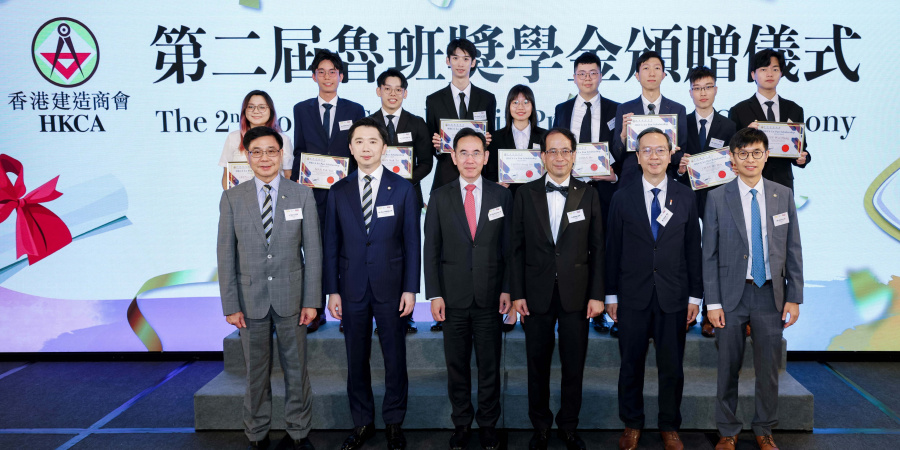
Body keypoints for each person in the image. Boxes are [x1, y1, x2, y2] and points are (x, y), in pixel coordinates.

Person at [217, 126, 320, 450]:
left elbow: (313, 252)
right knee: (255, 375)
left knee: (297, 371)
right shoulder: (232, 198)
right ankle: (257, 434)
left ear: (282, 154)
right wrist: (230, 304)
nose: (265, 158)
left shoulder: (302, 194)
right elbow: (225, 255)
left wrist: (312, 300)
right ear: (247, 157)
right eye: (257, 152)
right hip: (249, 301)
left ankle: (299, 432)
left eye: (271, 151)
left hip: (293, 298)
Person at [703, 128, 803, 450]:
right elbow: (709, 254)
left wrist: (794, 297)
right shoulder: (717, 197)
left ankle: (764, 428)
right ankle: (727, 430)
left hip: (770, 295)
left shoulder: (782, 194)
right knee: (727, 368)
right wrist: (712, 303)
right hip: (730, 296)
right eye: (743, 153)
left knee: (768, 370)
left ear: (767, 155)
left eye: (757, 152)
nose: (750, 159)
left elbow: (793, 249)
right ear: (732, 158)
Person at [324, 118, 420, 450]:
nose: (366, 148)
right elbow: (331, 245)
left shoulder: (403, 188)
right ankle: (362, 422)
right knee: (356, 358)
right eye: (359, 142)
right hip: (351, 287)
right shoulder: (338, 191)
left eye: (373, 141)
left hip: (392, 287)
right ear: (351, 148)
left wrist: (410, 288)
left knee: (395, 358)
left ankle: (394, 422)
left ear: (384, 147)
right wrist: (332, 290)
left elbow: (412, 243)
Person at [605, 128, 702, 450]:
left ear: (671, 154)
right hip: (632, 296)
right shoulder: (622, 197)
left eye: (660, 150)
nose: (654, 156)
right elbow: (612, 250)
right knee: (630, 365)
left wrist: (695, 296)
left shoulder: (686, 196)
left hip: (673, 296)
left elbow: (693, 249)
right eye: (646, 150)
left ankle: (669, 426)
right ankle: (631, 424)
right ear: (637, 157)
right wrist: (610, 294)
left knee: (671, 367)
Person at [511, 128, 605, 450]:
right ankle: (540, 427)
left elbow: (598, 248)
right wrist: (517, 293)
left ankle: (568, 426)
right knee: (536, 366)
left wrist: (597, 294)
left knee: (573, 366)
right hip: (535, 294)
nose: (559, 157)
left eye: (565, 151)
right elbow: (515, 248)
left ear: (574, 155)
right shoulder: (525, 194)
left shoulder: (589, 194)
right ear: (542, 156)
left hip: (576, 294)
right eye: (552, 151)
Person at [425, 128, 512, 450]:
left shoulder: (502, 196)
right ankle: (461, 423)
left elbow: (509, 249)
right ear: (453, 157)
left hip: (491, 297)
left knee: (489, 366)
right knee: (457, 367)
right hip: (453, 298)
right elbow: (431, 249)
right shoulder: (440, 196)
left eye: (476, 153)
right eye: (463, 152)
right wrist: (435, 294)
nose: (470, 159)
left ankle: (488, 425)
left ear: (486, 158)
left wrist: (508, 289)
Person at [290, 49, 366, 332]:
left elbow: (358, 151)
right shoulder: (301, 109)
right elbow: (299, 152)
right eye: (321, 72)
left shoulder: (355, 110)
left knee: (348, 251)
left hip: (346, 193)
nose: (327, 77)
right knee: (316, 252)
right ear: (313, 77)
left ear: (341, 76)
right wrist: (297, 188)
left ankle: (349, 312)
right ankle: (316, 310)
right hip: (313, 195)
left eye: (332, 72)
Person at [425, 37, 497, 331]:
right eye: (455, 57)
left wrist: (487, 141)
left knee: (478, 243)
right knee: (444, 245)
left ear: (474, 63)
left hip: (478, 181)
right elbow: (433, 147)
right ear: (447, 61)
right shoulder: (434, 99)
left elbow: (488, 140)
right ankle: (446, 306)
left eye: (466, 58)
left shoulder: (487, 98)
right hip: (446, 180)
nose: (460, 63)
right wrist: (435, 145)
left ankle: (479, 306)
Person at [553, 51, 621, 334]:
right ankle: (570, 305)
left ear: (601, 76)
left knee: (601, 248)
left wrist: (614, 175)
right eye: (582, 73)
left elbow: (622, 151)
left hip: (603, 190)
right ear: (574, 77)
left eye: (593, 73)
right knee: (571, 248)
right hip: (569, 191)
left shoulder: (616, 109)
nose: (587, 78)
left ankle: (601, 307)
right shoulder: (562, 109)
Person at [368, 68, 432, 334]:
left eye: (398, 89)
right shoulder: (368, 123)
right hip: (373, 197)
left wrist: (403, 183)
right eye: (387, 88)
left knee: (407, 252)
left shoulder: (416, 123)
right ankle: (378, 313)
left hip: (408, 197)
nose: (392, 94)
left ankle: (405, 314)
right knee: (378, 252)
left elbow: (426, 163)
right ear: (379, 91)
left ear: (405, 93)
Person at [680, 66, 737, 337]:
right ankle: (684, 311)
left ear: (716, 90)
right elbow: (672, 161)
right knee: (685, 253)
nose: (703, 93)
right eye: (697, 88)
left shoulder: (729, 126)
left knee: (716, 254)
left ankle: (710, 313)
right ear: (690, 92)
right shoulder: (681, 123)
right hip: (686, 196)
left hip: (719, 198)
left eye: (708, 87)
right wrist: (679, 167)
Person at [488, 84, 547, 332]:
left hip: (538, 203)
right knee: (509, 251)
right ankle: (511, 307)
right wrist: (496, 184)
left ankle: (527, 305)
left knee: (533, 253)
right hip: (507, 202)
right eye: (515, 102)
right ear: (508, 107)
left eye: (525, 102)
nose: (520, 107)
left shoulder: (545, 136)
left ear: (533, 106)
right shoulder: (495, 137)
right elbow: (487, 172)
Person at [728, 49, 810, 192]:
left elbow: (802, 149)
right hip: (750, 183)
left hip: (783, 184)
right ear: (753, 74)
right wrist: (746, 135)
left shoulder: (794, 109)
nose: (770, 74)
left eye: (775, 69)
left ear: (781, 73)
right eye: (763, 69)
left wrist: (803, 158)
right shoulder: (739, 110)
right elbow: (732, 150)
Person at [613, 51, 688, 189]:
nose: (652, 73)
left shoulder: (678, 110)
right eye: (646, 68)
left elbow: (681, 152)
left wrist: (668, 153)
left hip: (666, 181)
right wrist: (623, 137)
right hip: (631, 182)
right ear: (637, 75)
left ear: (664, 75)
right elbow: (617, 156)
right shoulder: (624, 109)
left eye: (657, 68)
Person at [218, 90, 293, 189]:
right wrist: (231, 197)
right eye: (251, 107)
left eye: (262, 107)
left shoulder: (284, 139)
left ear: (270, 111)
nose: (256, 111)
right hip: (241, 196)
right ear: (244, 110)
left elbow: (288, 175)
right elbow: (226, 176)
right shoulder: (233, 137)